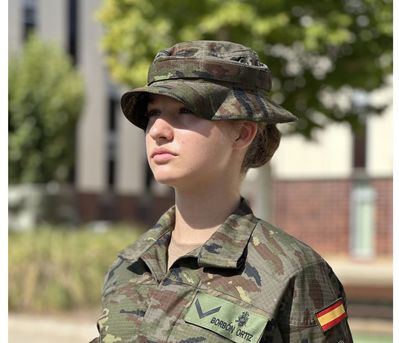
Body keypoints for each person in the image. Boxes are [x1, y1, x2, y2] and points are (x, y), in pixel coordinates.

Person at [91, 41, 353, 343]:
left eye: (185, 110)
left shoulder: (292, 272)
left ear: (242, 133)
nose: (158, 130)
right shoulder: (130, 265)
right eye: (153, 113)